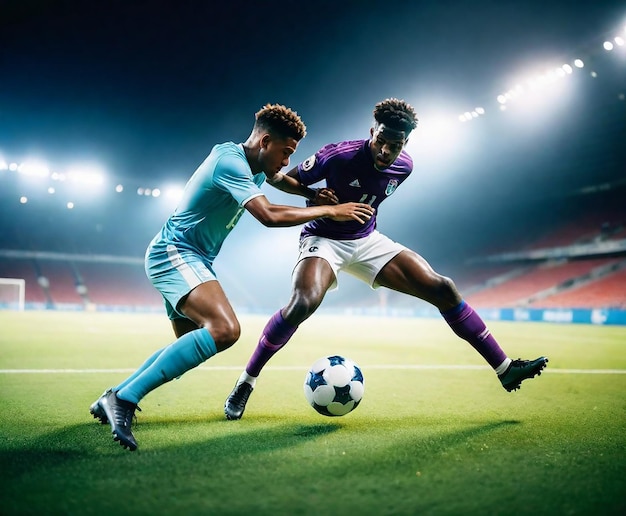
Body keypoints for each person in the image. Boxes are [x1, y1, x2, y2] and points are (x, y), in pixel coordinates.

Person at [224, 97, 548, 420]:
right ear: (372, 132)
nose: (385, 151)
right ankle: (246, 382)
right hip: (324, 238)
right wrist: (314, 195)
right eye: (380, 141)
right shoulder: (339, 155)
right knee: (303, 302)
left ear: (405, 143)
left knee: (443, 288)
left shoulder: (404, 166)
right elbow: (281, 178)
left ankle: (504, 368)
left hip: (367, 241)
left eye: (395, 145)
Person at [89, 103, 375, 451]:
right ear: (265, 141)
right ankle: (125, 400)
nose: (287, 162)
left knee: (185, 352)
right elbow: (267, 214)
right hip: (175, 252)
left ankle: (114, 395)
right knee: (225, 330)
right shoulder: (230, 163)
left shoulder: (254, 163)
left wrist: (310, 193)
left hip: (192, 258)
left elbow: (279, 179)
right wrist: (330, 209)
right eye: (285, 153)